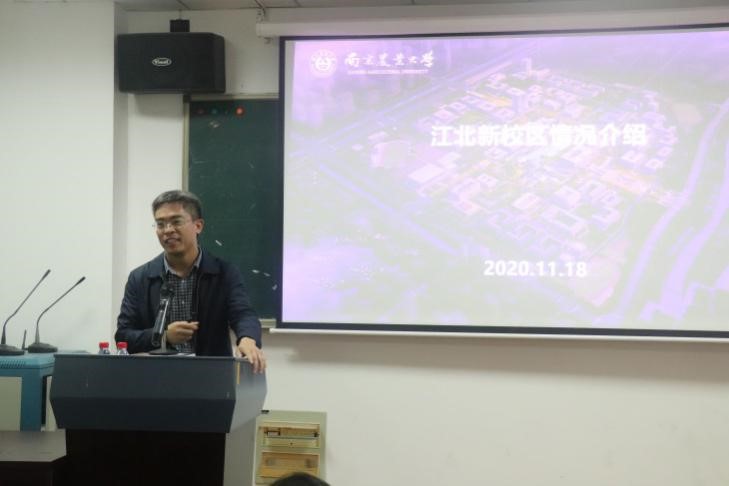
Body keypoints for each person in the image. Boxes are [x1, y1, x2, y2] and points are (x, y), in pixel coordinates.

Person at [115, 189, 266, 373]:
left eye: (176, 221)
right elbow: (124, 336)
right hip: (155, 377)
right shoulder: (140, 278)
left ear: (198, 226)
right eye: (160, 224)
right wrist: (163, 337)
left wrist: (248, 338)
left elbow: (243, 314)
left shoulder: (224, 273)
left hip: (211, 377)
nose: (168, 230)